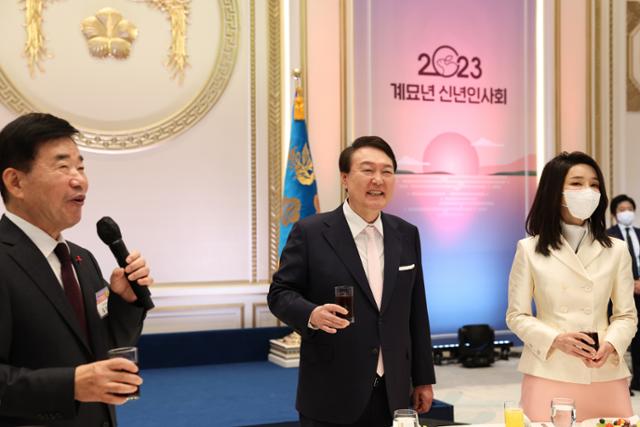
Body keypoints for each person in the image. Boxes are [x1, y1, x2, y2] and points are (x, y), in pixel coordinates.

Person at [268, 136, 435, 427]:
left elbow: (416, 311)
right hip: (331, 394)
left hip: (394, 393)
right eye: (368, 170)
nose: (378, 179)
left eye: (386, 171)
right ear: (345, 178)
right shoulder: (311, 232)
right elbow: (280, 293)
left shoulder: (407, 234)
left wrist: (423, 378)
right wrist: (311, 314)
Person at [0, 113, 154, 426]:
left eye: (81, 167)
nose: (79, 180)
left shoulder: (82, 259)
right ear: (15, 182)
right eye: (62, 167)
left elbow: (105, 350)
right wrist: (70, 385)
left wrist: (125, 303)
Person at [506, 151, 637, 421]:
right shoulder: (529, 249)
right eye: (577, 183)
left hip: (603, 370)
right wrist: (556, 339)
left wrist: (611, 344)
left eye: (594, 184)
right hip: (549, 369)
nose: (588, 191)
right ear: (555, 192)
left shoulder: (616, 250)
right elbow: (516, 315)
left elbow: (626, 315)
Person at [607, 194, 640, 391]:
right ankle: (618, 383)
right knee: (618, 338)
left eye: (629, 209)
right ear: (614, 214)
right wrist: (630, 283)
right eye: (622, 210)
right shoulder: (608, 235)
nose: (626, 212)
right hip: (618, 294)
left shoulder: (639, 233)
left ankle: (638, 380)